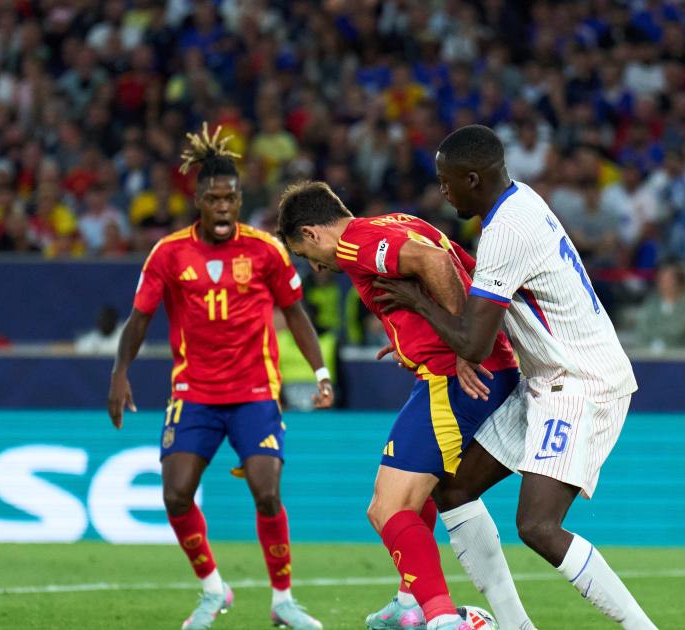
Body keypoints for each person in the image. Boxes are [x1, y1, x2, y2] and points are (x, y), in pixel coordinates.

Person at [374, 125, 657, 629]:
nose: (442, 191)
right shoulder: (519, 201)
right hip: (545, 379)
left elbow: (475, 344)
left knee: (538, 526)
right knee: (453, 489)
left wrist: (417, 304)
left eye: (446, 181)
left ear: (473, 179)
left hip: (581, 382)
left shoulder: (507, 231)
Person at [275, 182, 533, 630]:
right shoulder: (398, 221)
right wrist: (412, 338)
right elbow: (465, 269)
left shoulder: (355, 244)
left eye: (305, 254)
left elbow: (434, 263)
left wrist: (465, 344)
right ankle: (408, 602)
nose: (315, 266)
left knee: (388, 508)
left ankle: (441, 619)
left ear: (313, 233)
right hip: (469, 370)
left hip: (457, 379)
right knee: (417, 494)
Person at [107, 125, 333, 630]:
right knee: (175, 494)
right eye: (214, 199)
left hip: (254, 392)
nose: (224, 207)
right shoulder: (169, 254)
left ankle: (283, 600)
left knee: (266, 491)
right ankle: (213, 589)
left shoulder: (266, 250)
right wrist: (120, 372)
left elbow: (295, 314)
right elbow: (139, 319)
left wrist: (320, 371)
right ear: (199, 202)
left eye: (231, 198)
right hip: (194, 394)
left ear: (239, 199)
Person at [634, 263, 685, 351]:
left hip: (681, 351)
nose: (664, 283)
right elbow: (643, 326)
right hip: (650, 350)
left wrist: (660, 338)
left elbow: (681, 329)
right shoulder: (651, 302)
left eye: (669, 280)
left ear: (678, 282)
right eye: (662, 279)